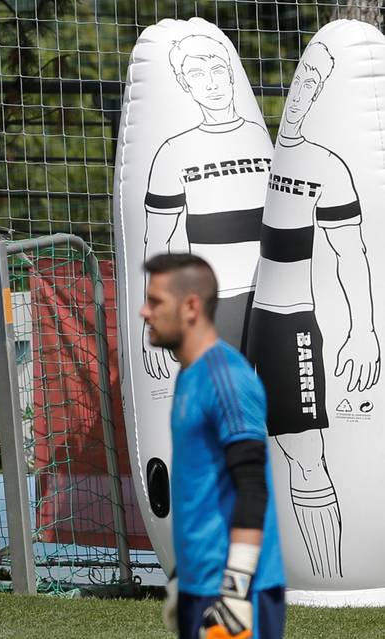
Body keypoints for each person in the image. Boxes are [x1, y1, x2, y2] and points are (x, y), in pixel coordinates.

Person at [246, 42, 378, 578]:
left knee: (306, 456)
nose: (303, 93)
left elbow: (353, 253)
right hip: (248, 317)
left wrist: (364, 330)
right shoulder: (275, 160)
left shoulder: (328, 167)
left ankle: (330, 579)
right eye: (300, 83)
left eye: (313, 84)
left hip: (292, 323)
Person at [141, 253, 285, 639]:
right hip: (198, 585)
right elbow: (202, 491)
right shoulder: (189, 376)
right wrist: (180, 575)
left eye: (155, 302)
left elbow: (253, 488)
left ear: (190, 306)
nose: (144, 312)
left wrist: (235, 589)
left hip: (238, 593)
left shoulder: (228, 379)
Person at [143, 34, 270, 379]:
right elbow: (159, 240)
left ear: (231, 73)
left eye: (217, 69)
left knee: (279, 422)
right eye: (198, 74)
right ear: (185, 84)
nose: (212, 83)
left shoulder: (263, 141)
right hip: (217, 301)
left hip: (275, 297)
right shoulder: (172, 152)